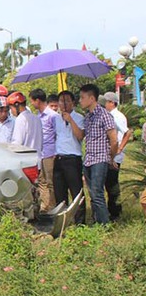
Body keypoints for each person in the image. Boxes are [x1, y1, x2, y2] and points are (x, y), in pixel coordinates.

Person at [80, 84, 117, 225]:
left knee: (97, 194)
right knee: (92, 194)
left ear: (92, 98)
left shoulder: (104, 115)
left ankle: (104, 225)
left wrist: (111, 157)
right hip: (89, 159)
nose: (80, 100)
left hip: (100, 158)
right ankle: (97, 221)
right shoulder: (88, 117)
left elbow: (113, 140)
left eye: (83, 97)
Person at [53, 90, 86, 224]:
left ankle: (80, 222)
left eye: (67, 101)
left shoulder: (79, 118)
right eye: (61, 101)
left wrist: (70, 120)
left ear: (73, 102)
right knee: (59, 193)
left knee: (76, 191)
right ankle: (63, 221)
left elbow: (80, 136)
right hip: (59, 158)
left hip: (73, 159)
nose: (64, 103)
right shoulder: (55, 118)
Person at [101, 91, 132, 221]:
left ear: (112, 103)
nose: (103, 104)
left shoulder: (116, 116)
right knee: (108, 182)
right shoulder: (109, 115)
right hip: (110, 154)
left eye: (105, 102)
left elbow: (127, 132)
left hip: (115, 155)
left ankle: (115, 212)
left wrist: (119, 148)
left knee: (112, 183)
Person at [30, 89, 59, 213]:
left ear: (37, 100)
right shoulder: (38, 117)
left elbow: (58, 134)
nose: (32, 104)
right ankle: (45, 206)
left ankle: (53, 207)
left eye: (32, 101)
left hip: (50, 153)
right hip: (40, 153)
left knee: (51, 181)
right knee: (41, 181)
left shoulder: (52, 116)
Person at [9, 91, 42, 157]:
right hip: (37, 159)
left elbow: (17, 143)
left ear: (16, 105)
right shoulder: (37, 118)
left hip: (26, 160)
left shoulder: (20, 119)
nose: (11, 111)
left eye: (11, 108)